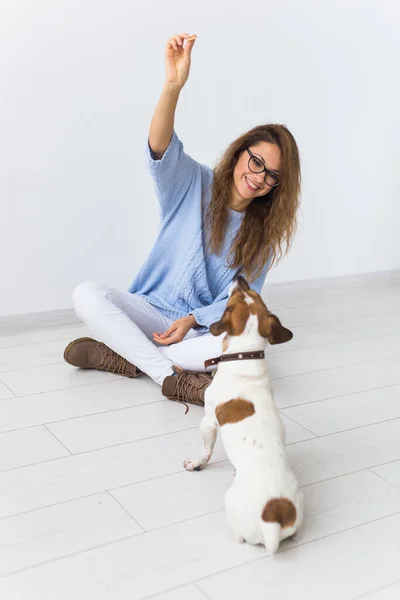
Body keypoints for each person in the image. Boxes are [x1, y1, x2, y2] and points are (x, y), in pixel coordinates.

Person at [64, 32, 301, 407]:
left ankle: (127, 355)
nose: (260, 176)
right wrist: (173, 85)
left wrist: (192, 319)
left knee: (249, 341)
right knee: (87, 294)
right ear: (240, 153)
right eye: (257, 161)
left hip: (195, 333)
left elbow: (235, 303)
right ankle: (169, 377)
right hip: (150, 311)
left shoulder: (264, 240)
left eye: (273, 175)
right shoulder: (194, 181)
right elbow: (160, 146)